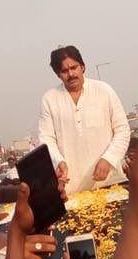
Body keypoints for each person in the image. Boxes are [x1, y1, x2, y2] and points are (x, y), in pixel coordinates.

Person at [38, 46, 131, 195]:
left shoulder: (104, 90)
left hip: (112, 184)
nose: (71, 74)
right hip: (73, 190)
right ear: (58, 75)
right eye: (64, 71)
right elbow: (46, 139)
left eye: (74, 68)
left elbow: (123, 130)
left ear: (83, 67)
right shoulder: (50, 99)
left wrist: (108, 159)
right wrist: (58, 161)